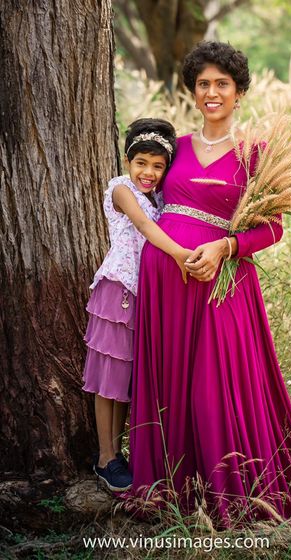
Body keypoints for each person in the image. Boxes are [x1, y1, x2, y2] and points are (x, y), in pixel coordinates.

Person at [127, 42, 291, 529]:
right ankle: (168, 485)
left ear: (239, 92)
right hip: (166, 284)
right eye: (203, 84)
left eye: (221, 84)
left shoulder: (258, 153)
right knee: (170, 381)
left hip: (222, 286)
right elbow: (142, 196)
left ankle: (228, 492)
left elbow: (273, 229)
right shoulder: (175, 149)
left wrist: (224, 248)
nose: (212, 93)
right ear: (193, 91)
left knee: (214, 386)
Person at [82, 118, 190, 492]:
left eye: (158, 166)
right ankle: (104, 458)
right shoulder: (122, 189)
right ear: (128, 160)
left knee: (126, 380)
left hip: (144, 296)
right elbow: (144, 226)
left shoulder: (160, 198)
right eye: (141, 162)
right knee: (109, 378)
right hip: (119, 291)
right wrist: (181, 254)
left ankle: (118, 452)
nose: (149, 172)